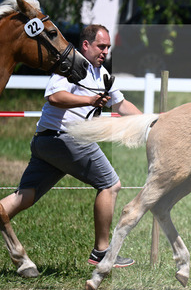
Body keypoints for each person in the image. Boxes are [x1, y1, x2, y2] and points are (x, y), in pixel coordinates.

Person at [0, 24, 142, 268]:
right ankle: (101, 252)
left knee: (24, 196)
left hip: (47, 143)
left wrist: (151, 121)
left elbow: (121, 104)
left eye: (108, 47)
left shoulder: (102, 74)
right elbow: (54, 97)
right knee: (110, 185)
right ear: (85, 45)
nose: (105, 51)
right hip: (68, 138)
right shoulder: (68, 66)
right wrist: (89, 100)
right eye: (101, 46)